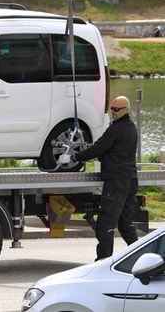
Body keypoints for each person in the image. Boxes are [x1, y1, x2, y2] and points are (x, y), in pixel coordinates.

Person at [58, 95, 139, 260]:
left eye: (116, 109)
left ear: (125, 110)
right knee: (126, 225)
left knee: (105, 225)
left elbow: (98, 148)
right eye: (111, 107)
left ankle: (103, 262)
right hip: (129, 180)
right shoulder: (131, 128)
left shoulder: (117, 129)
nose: (112, 111)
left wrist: (73, 158)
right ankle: (140, 258)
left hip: (116, 182)